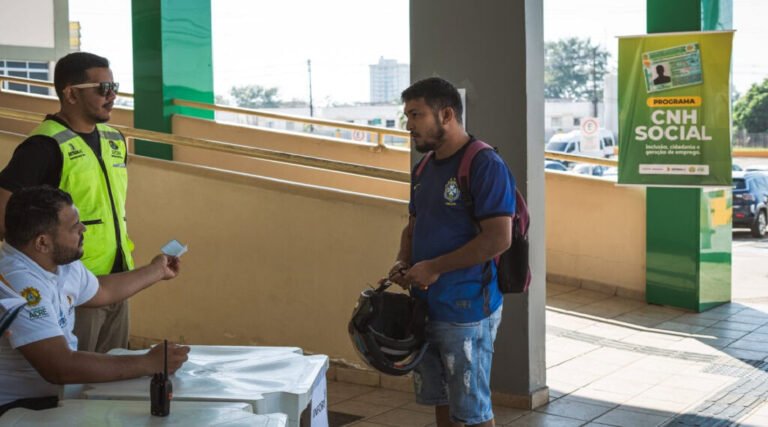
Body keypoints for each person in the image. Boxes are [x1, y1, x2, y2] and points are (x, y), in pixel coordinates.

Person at [384, 77, 514, 427]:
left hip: (468, 308)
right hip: (427, 308)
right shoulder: (424, 167)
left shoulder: (484, 164)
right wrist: (404, 259)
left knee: (472, 410)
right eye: (407, 115)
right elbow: (414, 223)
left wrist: (436, 267)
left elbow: (499, 238)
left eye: (416, 114)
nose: (408, 124)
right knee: (442, 400)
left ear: (446, 114)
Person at [0, 186, 189, 415]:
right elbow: (59, 366)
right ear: (42, 242)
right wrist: (148, 363)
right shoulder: (16, 283)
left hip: (57, 397)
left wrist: (156, 270)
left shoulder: (58, 263)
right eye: (74, 226)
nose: (84, 229)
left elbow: (102, 290)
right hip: (19, 408)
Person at [0, 52, 134, 353]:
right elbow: (5, 214)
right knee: (77, 381)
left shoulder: (115, 140)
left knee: (114, 376)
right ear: (70, 93)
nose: (112, 96)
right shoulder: (43, 146)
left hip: (116, 280)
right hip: (72, 286)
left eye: (114, 87)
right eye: (102, 89)